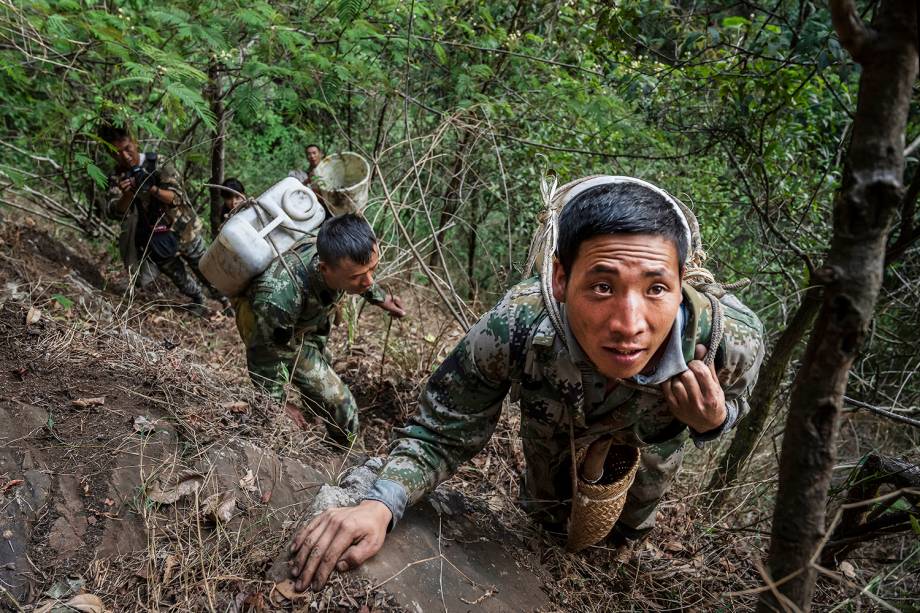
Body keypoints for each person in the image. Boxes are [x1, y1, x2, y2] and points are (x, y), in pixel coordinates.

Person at [287, 176, 766, 591]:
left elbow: (736, 407)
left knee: (627, 531)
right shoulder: (515, 326)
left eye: (656, 288)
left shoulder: (730, 341)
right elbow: (443, 429)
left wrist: (713, 421)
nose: (629, 323)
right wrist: (380, 503)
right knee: (543, 515)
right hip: (553, 438)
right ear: (560, 278)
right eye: (602, 286)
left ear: (683, 282)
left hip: (649, 453)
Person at [234, 213, 406, 444]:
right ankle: (343, 451)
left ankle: (315, 408)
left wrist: (381, 298)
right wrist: (277, 403)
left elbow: (362, 275)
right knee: (343, 406)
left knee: (323, 362)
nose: (368, 282)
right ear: (324, 269)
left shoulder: (337, 254)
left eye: (373, 269)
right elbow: (265, 355)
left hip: (308, 321)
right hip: (277, 331)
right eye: (357, 277)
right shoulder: (279, 298)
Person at [100, 126, 224, 314]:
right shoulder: (116, 177)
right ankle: (199, 300)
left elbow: (176, 197)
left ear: (134, 142)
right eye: (117, 153)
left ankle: (226, 301)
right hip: (154, 240)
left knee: (206, 269)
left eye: (127, 149)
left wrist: (150, 188)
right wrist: (127, 194)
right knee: (179, 278)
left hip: (183, 229)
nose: (124, 156)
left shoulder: (158, 163)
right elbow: (114, 212)